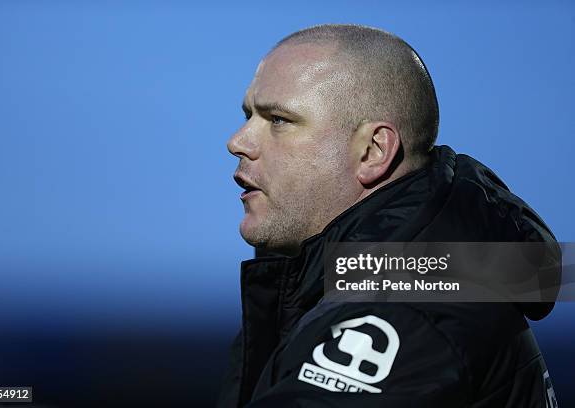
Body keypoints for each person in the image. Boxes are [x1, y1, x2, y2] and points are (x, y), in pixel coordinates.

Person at [218, 24, 559, 407]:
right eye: (249, 115)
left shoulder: (406, 310)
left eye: (278, 119)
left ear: (373, 151)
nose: (238, 141)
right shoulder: (405, 274)